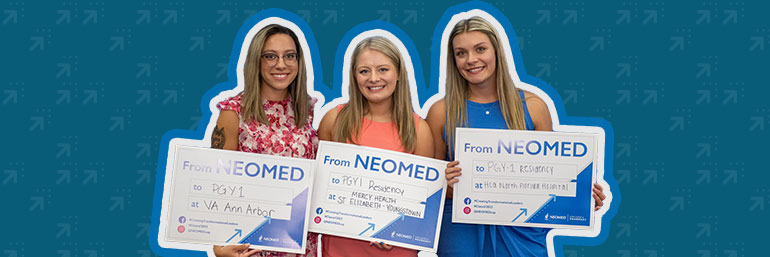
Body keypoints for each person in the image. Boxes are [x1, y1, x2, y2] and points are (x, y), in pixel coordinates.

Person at [425, 17, 606, 256]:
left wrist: (580, 196)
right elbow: (427, 187)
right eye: (461, 53)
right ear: (453, 60)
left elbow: (550, 179)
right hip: (461, 232)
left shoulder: (533, 106)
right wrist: (446, 183)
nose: (471, 60)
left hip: (522, 234)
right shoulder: (440, 111)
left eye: (480, 49)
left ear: (496, 51)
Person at [317, 36, 434, 257]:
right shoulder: (334, 120)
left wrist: (397, 231)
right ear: (354, 76)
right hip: (341, 248)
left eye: (383, 69)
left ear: (398, 73)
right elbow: (320, 188)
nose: (373, 78)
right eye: (364, 71)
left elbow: (424, 202)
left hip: (395, 250)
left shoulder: (419, 130)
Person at [210, 24, 319, 257]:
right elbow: (217, 185)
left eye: (289, 56)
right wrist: (219, 247)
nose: (281, 64)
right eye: (270, 56)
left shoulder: (306, 109)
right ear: (256, 61)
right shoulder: (233, 113)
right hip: (251, 245)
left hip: (299, 244)